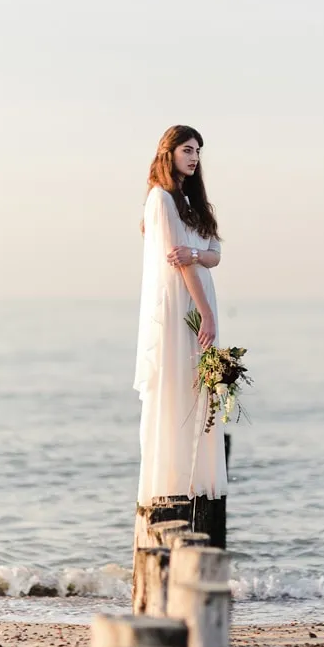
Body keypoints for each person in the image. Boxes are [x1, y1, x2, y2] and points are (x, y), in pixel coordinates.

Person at [133, 125, 227, 510]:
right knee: (178, 379)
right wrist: (204, 312)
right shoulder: (161, 200)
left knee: (199, 384)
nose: (194, 157)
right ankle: (171, 477)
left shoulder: (194, 202)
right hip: (183, 302)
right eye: (187, 149)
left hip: (202, 296)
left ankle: (196, 477)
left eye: (198, 151)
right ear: (168, 152)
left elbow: (215, 255)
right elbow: (178, 260)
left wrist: (195, 254)